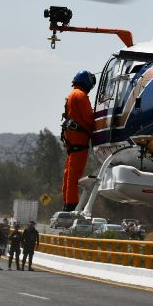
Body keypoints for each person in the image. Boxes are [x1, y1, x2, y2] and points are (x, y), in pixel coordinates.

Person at [60, 70, 96, 211]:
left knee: (68, 174)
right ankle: (72, 206)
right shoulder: (80, 95)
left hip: (71, 142)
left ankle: (67, 204)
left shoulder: (71, 95)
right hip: (79, 142)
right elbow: (89, 118)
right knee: (74, 176)